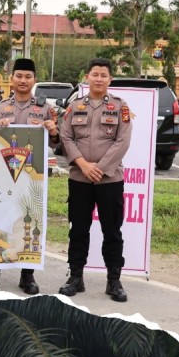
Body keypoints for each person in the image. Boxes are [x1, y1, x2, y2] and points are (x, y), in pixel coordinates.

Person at [0, 57, 60, 295]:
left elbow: (58, 143)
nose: (23, 80)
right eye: (19, 76)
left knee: (31, 221)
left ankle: (28, 274)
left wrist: (54, 131)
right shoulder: (0, 108)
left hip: (33, 177)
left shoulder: (46, 109)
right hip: (3, 176)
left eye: (28, 76)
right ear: (11, 79)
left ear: (34, 80)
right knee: (0, 220)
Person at [58, 58, 133, 302]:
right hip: (80, 178)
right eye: (95, 74)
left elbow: (122, 141)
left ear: (110, 79)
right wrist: (82, 164)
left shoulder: (120, 107)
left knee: (112, 231)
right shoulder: (74, 106)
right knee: (78, 229)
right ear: (87, 77)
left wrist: (99, 169)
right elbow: (66, 136)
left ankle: (114, 281)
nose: (99, 78)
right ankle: (76, 277)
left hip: (109, 180)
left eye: (103, 75)